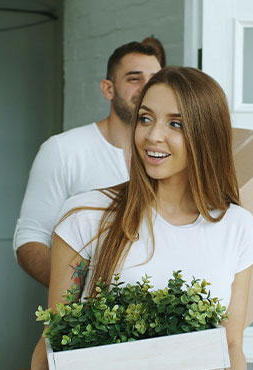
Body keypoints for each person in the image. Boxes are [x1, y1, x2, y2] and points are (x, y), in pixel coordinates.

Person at [29, 67, 253, 370]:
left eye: (176, 123)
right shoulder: (88, 215)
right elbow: (57, 329)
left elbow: (231, 341)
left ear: (206, 134)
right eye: (146, 118)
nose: (153, 136)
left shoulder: (236, 226)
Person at [13, 40, 163, 286]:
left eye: (155, 80)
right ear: (108, 89)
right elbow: (31, 239)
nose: (147, 88)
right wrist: (80, 299)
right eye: (134, 79)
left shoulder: (171, 156)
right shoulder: (63, 150)